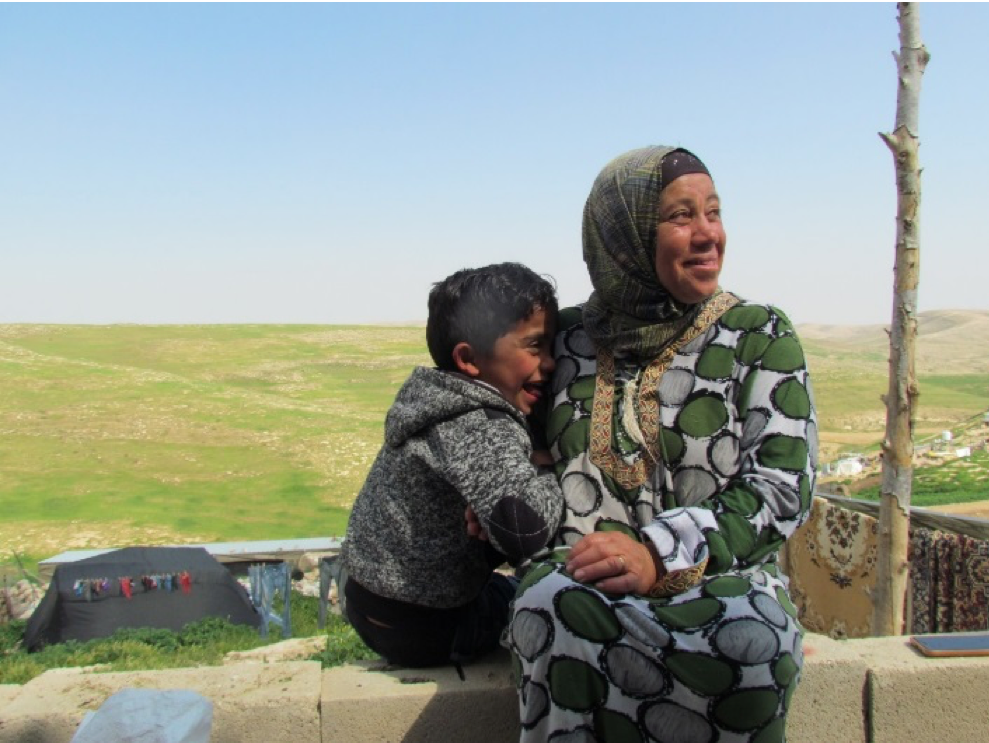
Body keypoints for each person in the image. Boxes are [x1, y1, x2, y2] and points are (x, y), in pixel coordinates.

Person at [505, 146, 818, 742]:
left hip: (718, 585)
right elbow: (510, 434)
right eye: (681, 217)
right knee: (547, 610)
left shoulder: (759, 334)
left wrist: (657, 554)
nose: (708, 235)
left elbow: (782, 488)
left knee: (753, 647)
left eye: (714, 212)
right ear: (621, 237)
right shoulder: (564, 339)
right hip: (583, 586)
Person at [341, 262, 564, 669]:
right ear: (469, 359)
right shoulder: (478, 424)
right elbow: (525, 529)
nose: (549, 363)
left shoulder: (435, 402)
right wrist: (548, 468)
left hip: (368, 602)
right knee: (557, 605)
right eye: (535, 346)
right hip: (430, 627)